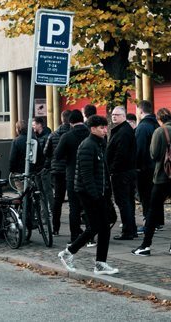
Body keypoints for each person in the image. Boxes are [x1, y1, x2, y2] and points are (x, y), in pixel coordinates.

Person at [58, 115, 119, 275]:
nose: (105, 130)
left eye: (106, 127)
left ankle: (99, 263)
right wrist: (96, 195)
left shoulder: (99, 144)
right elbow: (86, 174)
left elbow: (103, 171)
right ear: (93, 129)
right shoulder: (87, 145)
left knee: (103, 227)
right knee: (96, 227)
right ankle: (68, 253)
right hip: (88, 193)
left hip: (99, 193)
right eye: (101, 127)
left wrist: (107, 192)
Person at [132, 107, 171, 257]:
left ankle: (146, 245)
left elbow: (154, 154)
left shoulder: (159, 131)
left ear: (160, 119)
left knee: (153, 210)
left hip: (162, 177)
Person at [54, 110, 90, 243]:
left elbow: (58, 155)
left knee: (74, 207)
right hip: (89, 175)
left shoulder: (67, 136)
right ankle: (90, 235)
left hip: (72, 175)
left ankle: (75, 236)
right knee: (88, 206)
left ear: (70, 122)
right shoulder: (90, 134)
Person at [107, 105, 138, 240]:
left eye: (117, 115)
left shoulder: (123, 131)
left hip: (122, 172)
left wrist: (112, 169)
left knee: (123, 202)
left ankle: (128, 231)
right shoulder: (122, 129)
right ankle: (131, 229)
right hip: (125, 171)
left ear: (124, 116)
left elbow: (121, 154)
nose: (114, 116)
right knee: (127, 202)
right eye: (113, 114)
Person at [44, 110, 72, 236]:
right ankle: (75, 228)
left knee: (58, 200)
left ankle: (55, 228)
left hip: (57, 170)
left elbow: (46, 152)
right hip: (70, 170)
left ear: (61, 119)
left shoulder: (54, 134)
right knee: (73, 200)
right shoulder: (73, 134)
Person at [135, 100, 160, 230]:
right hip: (156, 166)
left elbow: (139, 148)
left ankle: (149, 223)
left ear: (140, 110)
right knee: (154, 194)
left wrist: (137, 166)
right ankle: (157, 221)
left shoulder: (143, 127)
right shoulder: (157, 124)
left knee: (146, 196)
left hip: (145, 167)